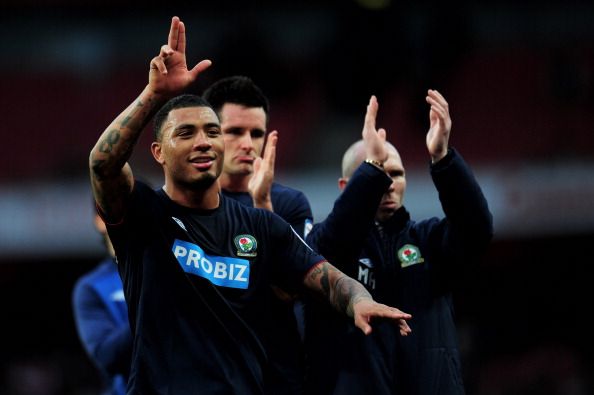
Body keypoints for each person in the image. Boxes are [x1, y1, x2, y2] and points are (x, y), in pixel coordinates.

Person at [88, 16, 411, 394]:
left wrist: (358, 299)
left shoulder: (261, 226)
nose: (204, 142)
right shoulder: (144, 215)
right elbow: (102, 163)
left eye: (212, 131)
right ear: (158, 152)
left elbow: (329, 279)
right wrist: (154, 96)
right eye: (186, 133)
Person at [303, 92, 493, 394]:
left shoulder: (429, 240)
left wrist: (443, 159)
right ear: (346, 185)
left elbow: (477, 229)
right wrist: (371, 171)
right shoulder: (325, 242)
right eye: (378, 172)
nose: (389, 184)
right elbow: (331, 247)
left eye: (396, 174)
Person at [203, 76, 313, 393]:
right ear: (210, 134)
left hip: (274, 376)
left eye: (257, 133)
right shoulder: (182, 207)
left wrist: (262, 204)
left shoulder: (290, 204)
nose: (248, 144)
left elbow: (288, 290)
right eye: (235, 132)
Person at [72, 213, 132, 395]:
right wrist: (152, 306)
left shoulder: (177, 268)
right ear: (100, 220)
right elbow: (106, 356)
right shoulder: (92, 286)